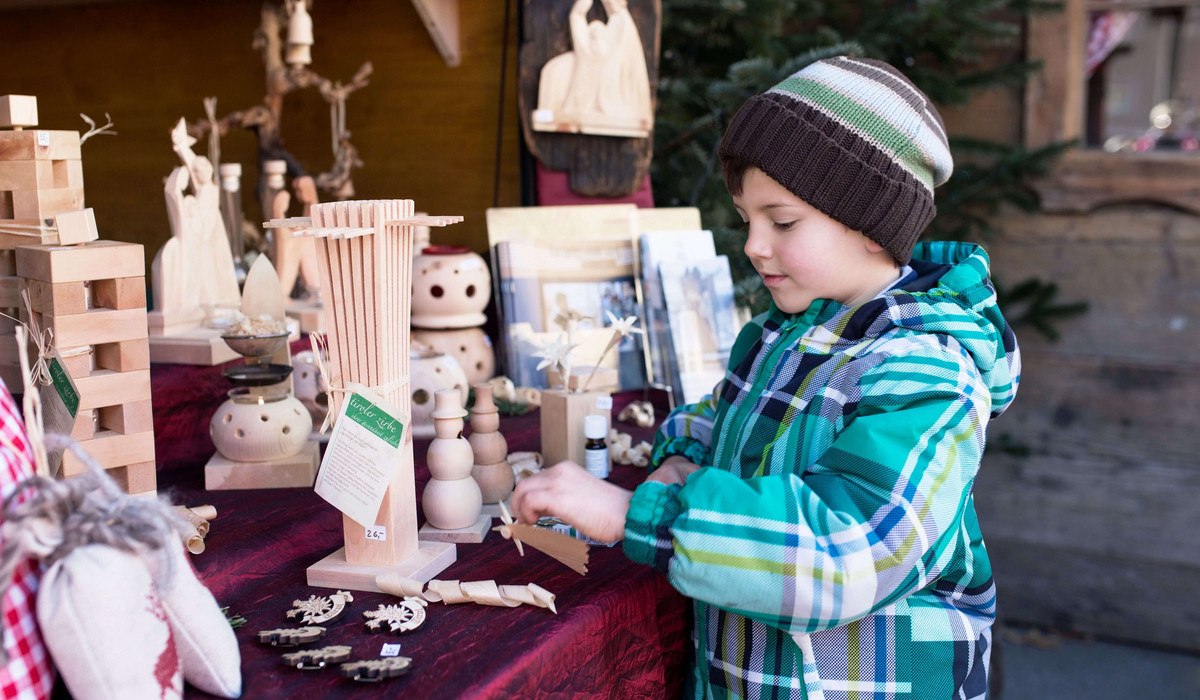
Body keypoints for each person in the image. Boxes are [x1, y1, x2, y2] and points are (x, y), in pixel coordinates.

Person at [511, 55, 1021, 699]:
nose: (754, 244)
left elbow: (849, 552)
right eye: (746, 219)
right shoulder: (779, 332)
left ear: (871, 225)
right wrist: (682, 457)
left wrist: (637, 514)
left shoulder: (926, 371)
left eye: (781, 222)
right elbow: (725, 414)